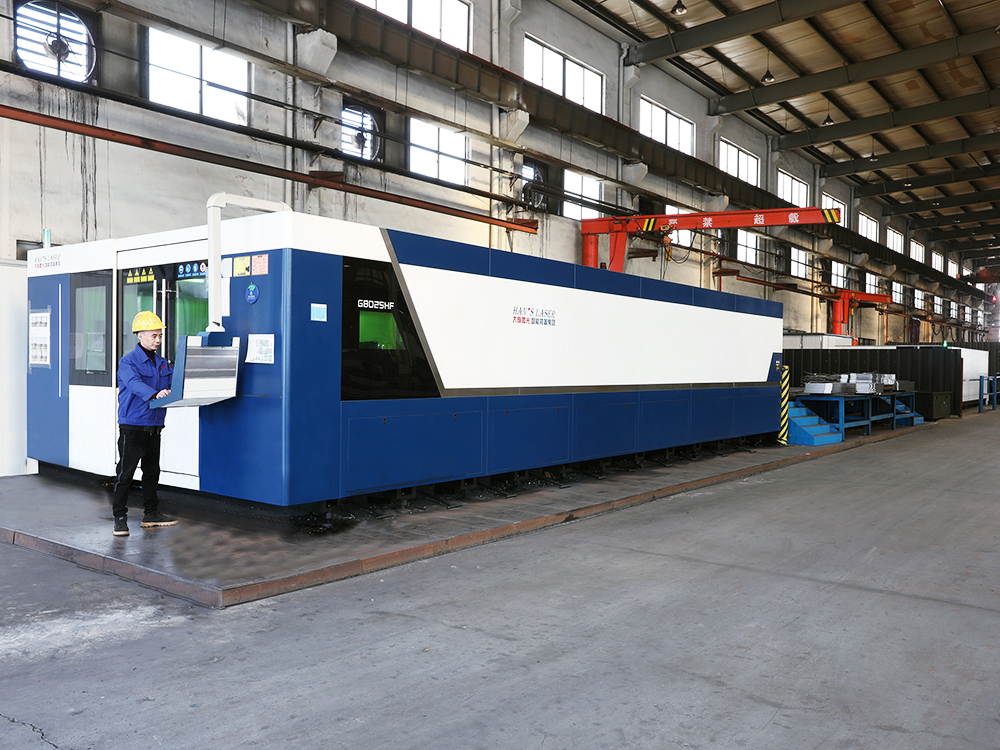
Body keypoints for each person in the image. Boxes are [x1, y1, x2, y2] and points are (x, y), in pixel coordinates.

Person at [111, 311, 179, 536]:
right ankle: (120, 518)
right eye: (153, 335)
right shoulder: (128, 361)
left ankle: (151, 514)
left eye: (160, 335)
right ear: (140, 336)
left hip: (154, 425)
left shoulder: (162, 363)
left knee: (152, 472)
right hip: (133, 426)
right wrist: (155, 394)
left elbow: (173, 384)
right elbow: (133, 384)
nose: (158, 340)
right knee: (125, 474)